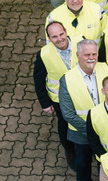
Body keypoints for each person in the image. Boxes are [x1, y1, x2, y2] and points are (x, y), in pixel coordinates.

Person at [58, 40, 108, 181]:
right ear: (77, 55)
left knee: (105, 161)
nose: (91, 58)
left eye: (94, 54)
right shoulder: (67, 79)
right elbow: (68, 114)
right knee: (82, 162)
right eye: (87, 54)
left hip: (106, 130)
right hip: (80, 132)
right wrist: (92, 131)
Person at [33, 21, 80, 171]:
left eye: (61, 34)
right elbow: (39, 80)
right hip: (60, 99)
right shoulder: (43, 54)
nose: (59, 39)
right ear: (49, 38)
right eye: (54, 37)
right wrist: (45, 103)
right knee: (64, 125)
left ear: (66, 31)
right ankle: (70, 151)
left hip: (83, 94)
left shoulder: (81, 43)